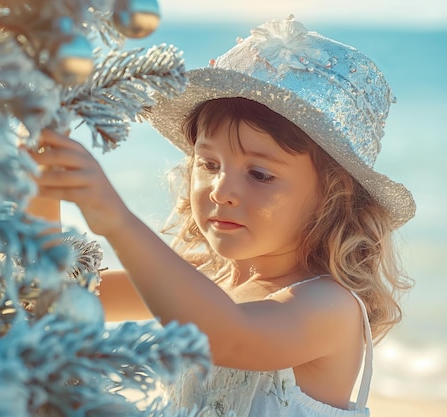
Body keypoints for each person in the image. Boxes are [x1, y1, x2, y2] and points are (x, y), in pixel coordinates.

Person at [26, 15, 415, 416]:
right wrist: (40, 178)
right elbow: (54, 298)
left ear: (332, 199)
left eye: (260, 174)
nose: (221, 191)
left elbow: (229, 336)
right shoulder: (204, 280)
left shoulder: (329, 306)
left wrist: (116, 221)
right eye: (209, 164)